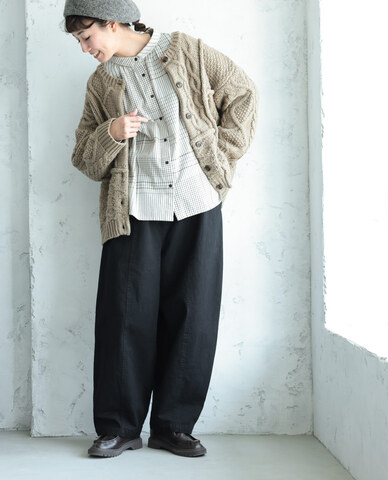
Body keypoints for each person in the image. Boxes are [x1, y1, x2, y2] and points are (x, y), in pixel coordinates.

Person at [63, 0, 258, 459]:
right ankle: (119, 428)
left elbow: (243, 94)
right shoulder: (101, 83)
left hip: (197, 201)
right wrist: (111, 133)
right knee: (124, 318)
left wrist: (220, 156)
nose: (85, 48)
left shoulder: (188, 51)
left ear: (113, 22)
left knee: (193, 316)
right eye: (79, 42)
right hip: (132, 210)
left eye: (87, 37)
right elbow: (84, 158)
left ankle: (174, 427)